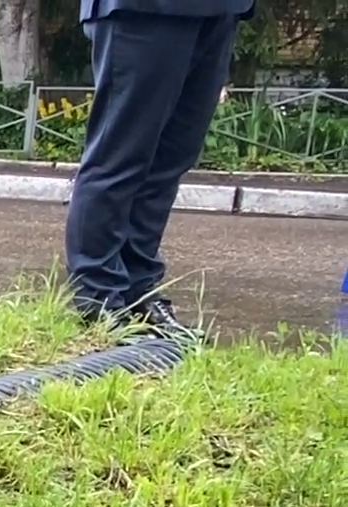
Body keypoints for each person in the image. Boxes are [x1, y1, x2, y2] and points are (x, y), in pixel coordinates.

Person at [63, 0, 253, 339]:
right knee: (119, 157)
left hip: (220, 9)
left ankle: (139, 294)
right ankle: (99, 297)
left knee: (169, 162)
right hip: (142, 9)